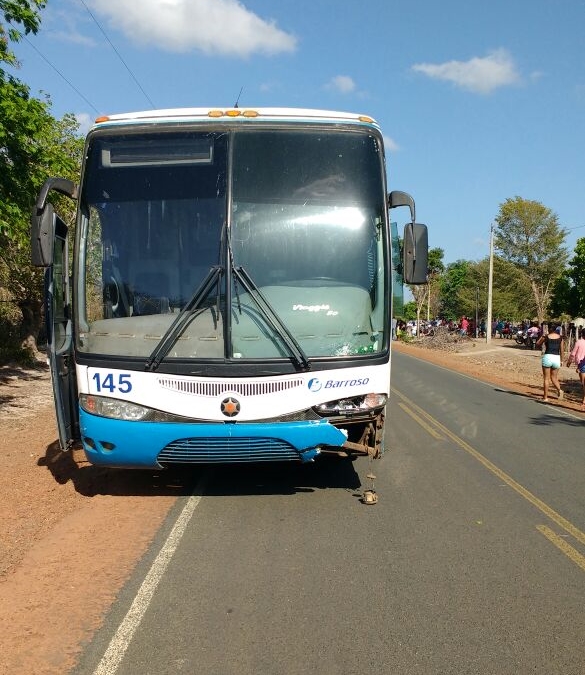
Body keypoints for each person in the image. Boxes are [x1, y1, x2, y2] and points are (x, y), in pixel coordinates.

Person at [536, 325, 565, 402]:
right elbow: (562, 350)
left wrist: (541, 337)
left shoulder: (546, 337)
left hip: (548, 356)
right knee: (554, 377)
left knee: (546, 379)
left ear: (549, 329)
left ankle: (545, 397)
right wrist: (562, 360)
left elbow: (537, 344)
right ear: (556, 329)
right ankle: (560, 390)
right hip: (556, 358)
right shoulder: (560, 338)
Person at [566, 328, 585, 410]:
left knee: (583, 383)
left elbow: (573, 353)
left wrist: (569, 362)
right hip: (582, 364)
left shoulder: (579, 342)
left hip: (582, 364)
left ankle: (584, 400)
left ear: (581, 334)